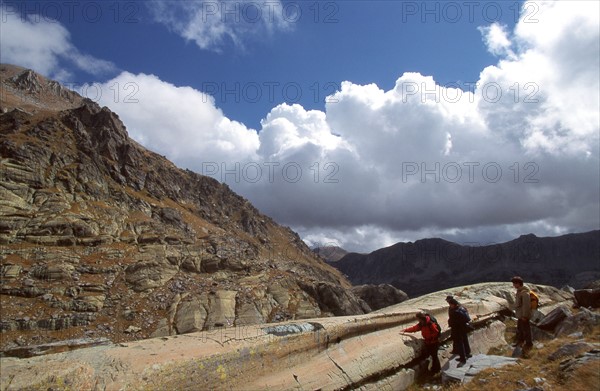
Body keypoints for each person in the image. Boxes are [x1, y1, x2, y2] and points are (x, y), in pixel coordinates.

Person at [447, 298, 472, 366]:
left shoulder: (455, 311)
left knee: (460, 343)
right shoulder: (462, 308)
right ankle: (468, 353)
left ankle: (462, 359)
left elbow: (453, 321)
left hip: (457, 329)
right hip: (464, 327)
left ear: (453, 304)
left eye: (450, 304)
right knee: (465, 340)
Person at [511, 276, 533, 349]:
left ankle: (529, 344)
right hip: (520, 315)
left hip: (523, 316)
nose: (513, 285)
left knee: (526, 330)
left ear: (518, 283)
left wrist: (525, 316)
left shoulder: (524, 293)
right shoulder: (520, 291)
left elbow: (526, 306)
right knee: (520, 329)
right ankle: (520, 342)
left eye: (514, 283)